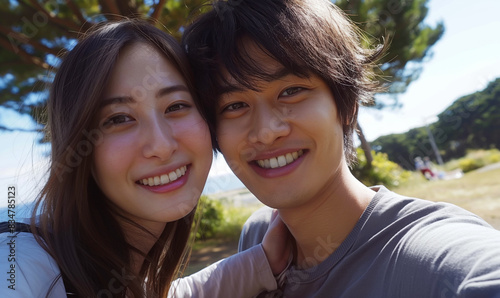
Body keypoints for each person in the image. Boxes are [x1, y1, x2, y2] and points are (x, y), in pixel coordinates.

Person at [182, 0, 500, 297]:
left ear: (346, 105)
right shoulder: (259, 239)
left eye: (291, 91)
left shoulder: (429, 256)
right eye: (235, 105)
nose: (265, 132)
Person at [0, 19, 290, 297]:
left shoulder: (111, 271)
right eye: (118, 119)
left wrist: (261, 263)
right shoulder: (23, 262)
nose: (161, 146)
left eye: (176, 106)